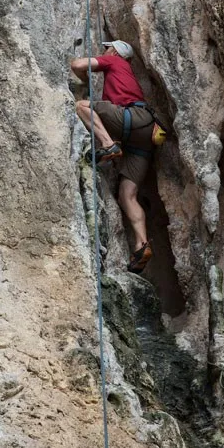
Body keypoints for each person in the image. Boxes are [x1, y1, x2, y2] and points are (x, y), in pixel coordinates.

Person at [71, 39, 154, 273]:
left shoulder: (114, 60)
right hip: (145, 132)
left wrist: (87, 79)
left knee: (82, 107)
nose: (104, 50)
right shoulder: (126, 72)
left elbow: (78, 64)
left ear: (116, 51)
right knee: (128, 194)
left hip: (130, 118)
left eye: (107, 48)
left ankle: (108, 144)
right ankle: (141, 244)